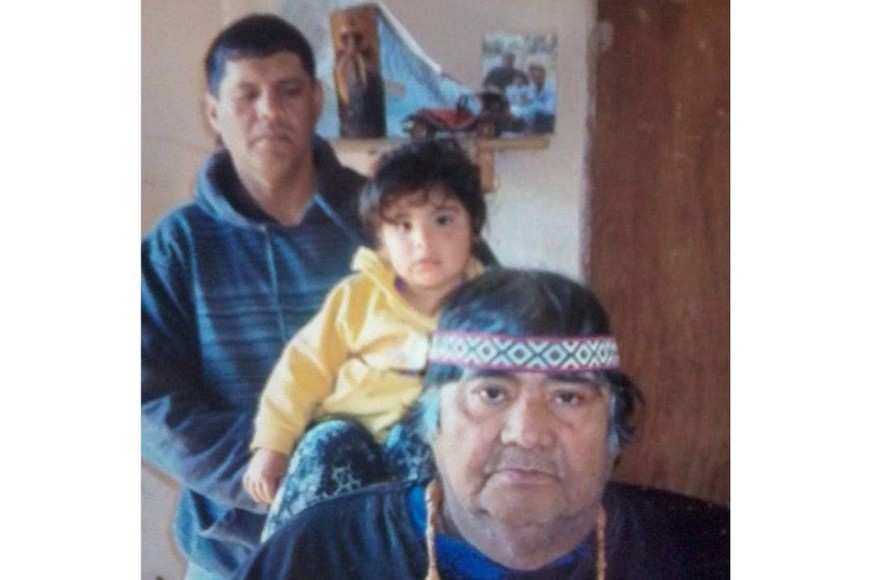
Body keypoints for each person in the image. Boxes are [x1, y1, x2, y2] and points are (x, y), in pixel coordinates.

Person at [235, 269, 730, 579]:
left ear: (613, 432)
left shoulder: (709, 552)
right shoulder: (318, 555)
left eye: (568, 397)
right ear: (431, 423)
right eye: (491, 393)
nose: (527, 432)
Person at [141, 14, 369, 579]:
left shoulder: (391, 217)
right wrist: (291, 471)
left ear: (316, 100)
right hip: (230, 556)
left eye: (288, 90)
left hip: (375, 544)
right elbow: (146, 402)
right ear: (213, 112)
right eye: (247, 95)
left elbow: (475, 338)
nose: (270, 111)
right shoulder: (177, 247)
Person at [242, 138, 488, 540]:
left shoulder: (494, 309)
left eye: (442, 220)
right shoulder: (357, 298)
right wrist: (272, 445)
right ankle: (287, 561)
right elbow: (302, 369)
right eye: (403, 226)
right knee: (324, 443)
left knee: (428, 438)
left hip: (427, 459)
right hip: (349, 444)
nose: (423, 241)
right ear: (380, 241)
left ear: (473, 228)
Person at [332, 9, 386, 138]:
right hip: (350, 123)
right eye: (346, 38)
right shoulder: (341, 66)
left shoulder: (368, 66)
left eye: (355, 37)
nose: (351, 42)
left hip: (369, 122)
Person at [514, 61, 556, 134]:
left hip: (547, 121)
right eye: (533, 77)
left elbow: (550, 110)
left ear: (543, 76)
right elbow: (521, 106)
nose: (535, 79)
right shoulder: (529, 88)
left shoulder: (551, 89)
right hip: (531, 122)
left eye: (538, 77)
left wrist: (532, 104)